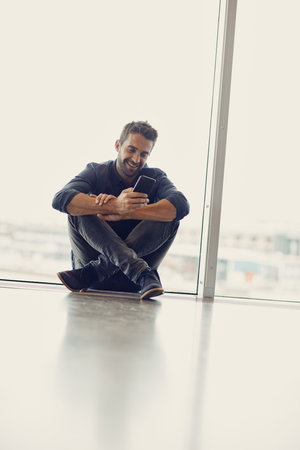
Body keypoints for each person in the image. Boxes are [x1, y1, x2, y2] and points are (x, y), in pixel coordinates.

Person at [52, 121, 190, 299]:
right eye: (131, 150)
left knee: (169, 215)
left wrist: (129, 211)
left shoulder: (156, 176)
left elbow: (181, 205)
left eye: (143, 154)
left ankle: (99, 269)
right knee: (79, 210)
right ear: (118, 145)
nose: (136, 159)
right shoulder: (95, 171)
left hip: (98, 278)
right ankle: (140, 271)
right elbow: (60, 198)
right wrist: (114, 205)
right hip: (117, 274)